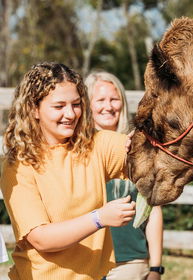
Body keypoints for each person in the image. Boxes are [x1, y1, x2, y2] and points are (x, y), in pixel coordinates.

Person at [0, 63, 136, 280]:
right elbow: (41, 238)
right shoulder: (17, 165)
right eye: (59, 106)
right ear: (34, 109)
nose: (70, 114)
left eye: (76, 104)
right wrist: (99, 218)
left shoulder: (95, 145)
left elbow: (141, 152)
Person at [85, 71, 164, 280]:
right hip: (84, 260)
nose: (108, 106)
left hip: (128, 261)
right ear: (87, 105)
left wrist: (156, 267)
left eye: (114, 99)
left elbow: (153, 211)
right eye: (100, 100)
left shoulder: (139, 149)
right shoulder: (78, 151)